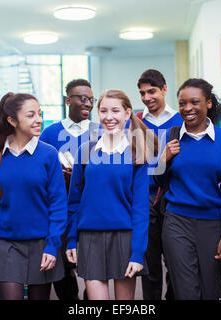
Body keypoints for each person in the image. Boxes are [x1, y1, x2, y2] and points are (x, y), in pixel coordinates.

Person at [65, 89, 158, 300]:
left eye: (115, 110)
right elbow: (74, 201)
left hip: (124, 239)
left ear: (127, 113)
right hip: (90, 238)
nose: (109, 117)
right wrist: (71, 239)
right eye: (104, 111)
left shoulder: (136, 155)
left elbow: (141, 209)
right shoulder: (85, 150)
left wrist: (137, 253)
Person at [156, 78, 221, 300]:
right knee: (186, 292)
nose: (187, 109)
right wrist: (164, 159)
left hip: (212, 226)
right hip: (176, 223)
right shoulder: (171, 136)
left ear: (208, 103)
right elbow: (156, 182)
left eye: (194, 102)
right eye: (182, 103)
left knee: (210, 292)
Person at [0, 92, 67, 300]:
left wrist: (52, 245)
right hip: (7, 245)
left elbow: (58, 204)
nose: (38, 119)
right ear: (12, 120)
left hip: (41, 244)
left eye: (39, 113)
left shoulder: (49, 154)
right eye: (31, 115)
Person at [39, 79, 100, 300]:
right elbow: (42, 171)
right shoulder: (49, 134)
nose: (88, 103)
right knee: (63, 265)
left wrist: (80, 176)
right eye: (82, 98)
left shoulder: (100, 132)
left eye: (91, 99)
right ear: (68, 100)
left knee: (92, 262)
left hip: (92, 208)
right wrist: (59, 176)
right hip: (60, 209)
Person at [136, 69, 183, 300]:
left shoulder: (181, 121)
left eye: (152, 91)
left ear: (164, 89)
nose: (146, 97)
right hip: (145, 201)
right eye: (142, 93)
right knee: (150, 267)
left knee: (175, 265)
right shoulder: (136, 123)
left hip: (174, 199)